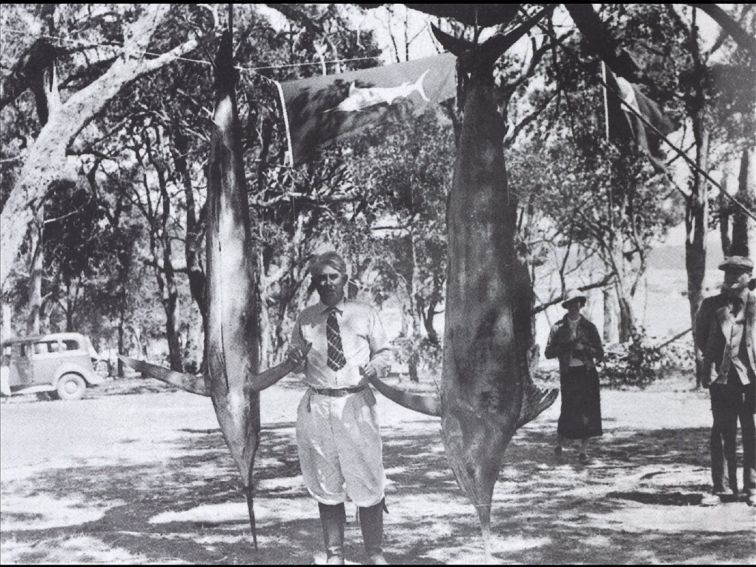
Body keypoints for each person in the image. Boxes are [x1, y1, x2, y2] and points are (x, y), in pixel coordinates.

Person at [245, 251, 392, 565]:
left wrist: (375, 367)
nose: (326, 283)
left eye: (332, 277)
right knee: (326, 481)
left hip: (355, 404)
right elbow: (295, 360)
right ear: (314, 282)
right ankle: (334, 554)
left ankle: (374, 553)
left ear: (344, 279)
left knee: (367, 477)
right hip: (318, 406)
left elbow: (384, 353)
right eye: (320, 278)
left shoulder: (364, 313)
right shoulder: (306, 317)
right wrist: (294, 363)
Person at [695, 255, 755, 507]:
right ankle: (723, 488)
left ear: (748, 277)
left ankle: (752, 488)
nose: (731, 278)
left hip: (751, 379)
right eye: (727, 273)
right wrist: (714, 362)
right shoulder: (710, 306)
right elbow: (700, 337)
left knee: (751, 432)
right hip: (721, 379)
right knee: (722, 432)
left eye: (737, 274)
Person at [545, 290, 604, 463]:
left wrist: (584, 349)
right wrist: (568, 347)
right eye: (570, 303)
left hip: (586, 373)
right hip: (568, 373)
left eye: (577, 302)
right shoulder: (557, 328)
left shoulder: (589, 327)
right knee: (567, 409)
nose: (574, 306)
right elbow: (548, 352)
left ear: (581, 304)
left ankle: (583, 451)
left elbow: (600, 353)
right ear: (566, 306)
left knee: (588, 412)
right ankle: (559, 445)